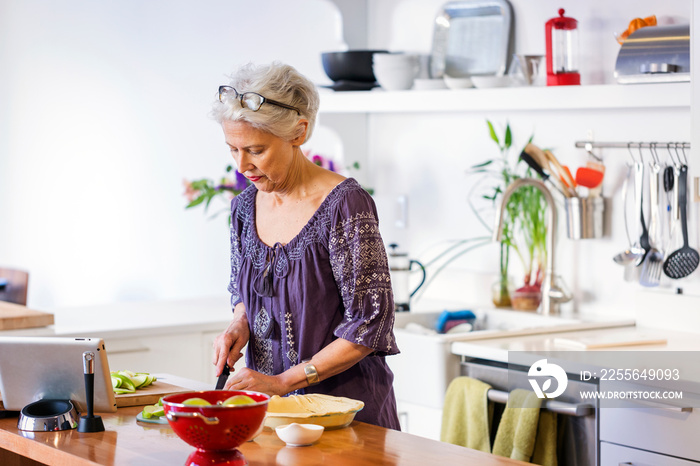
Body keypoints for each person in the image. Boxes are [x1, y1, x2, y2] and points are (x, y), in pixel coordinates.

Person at [210, 62, 400, 430]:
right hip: (270, 417)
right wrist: (238, 325)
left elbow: (368, 327)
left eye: (256, 149)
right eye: (233, 149)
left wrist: (282, 383)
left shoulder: (345, 206)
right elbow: (244, 292)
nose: (242, 164)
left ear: (299, 132)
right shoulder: (244, 209)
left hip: (346, 418)